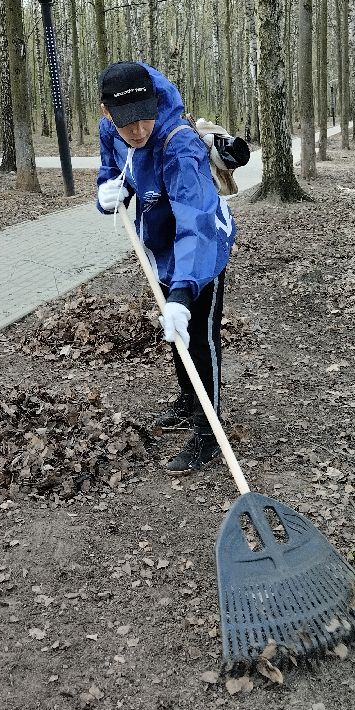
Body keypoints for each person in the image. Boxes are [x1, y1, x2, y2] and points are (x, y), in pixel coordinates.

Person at [95, 60, 236, 474]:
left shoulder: (179, 143)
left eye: (144, 118)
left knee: (200, 335)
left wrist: (182, 290)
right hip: (159, 243)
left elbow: (195, 218)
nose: (137, 131)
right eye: (126, 124)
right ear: (107, 114)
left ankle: (209, 433)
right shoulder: (111, 131)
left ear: (155, 103)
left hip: (203, 246)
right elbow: (111, 172)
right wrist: (106, 195)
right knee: (176, 333)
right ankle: (187, 401)